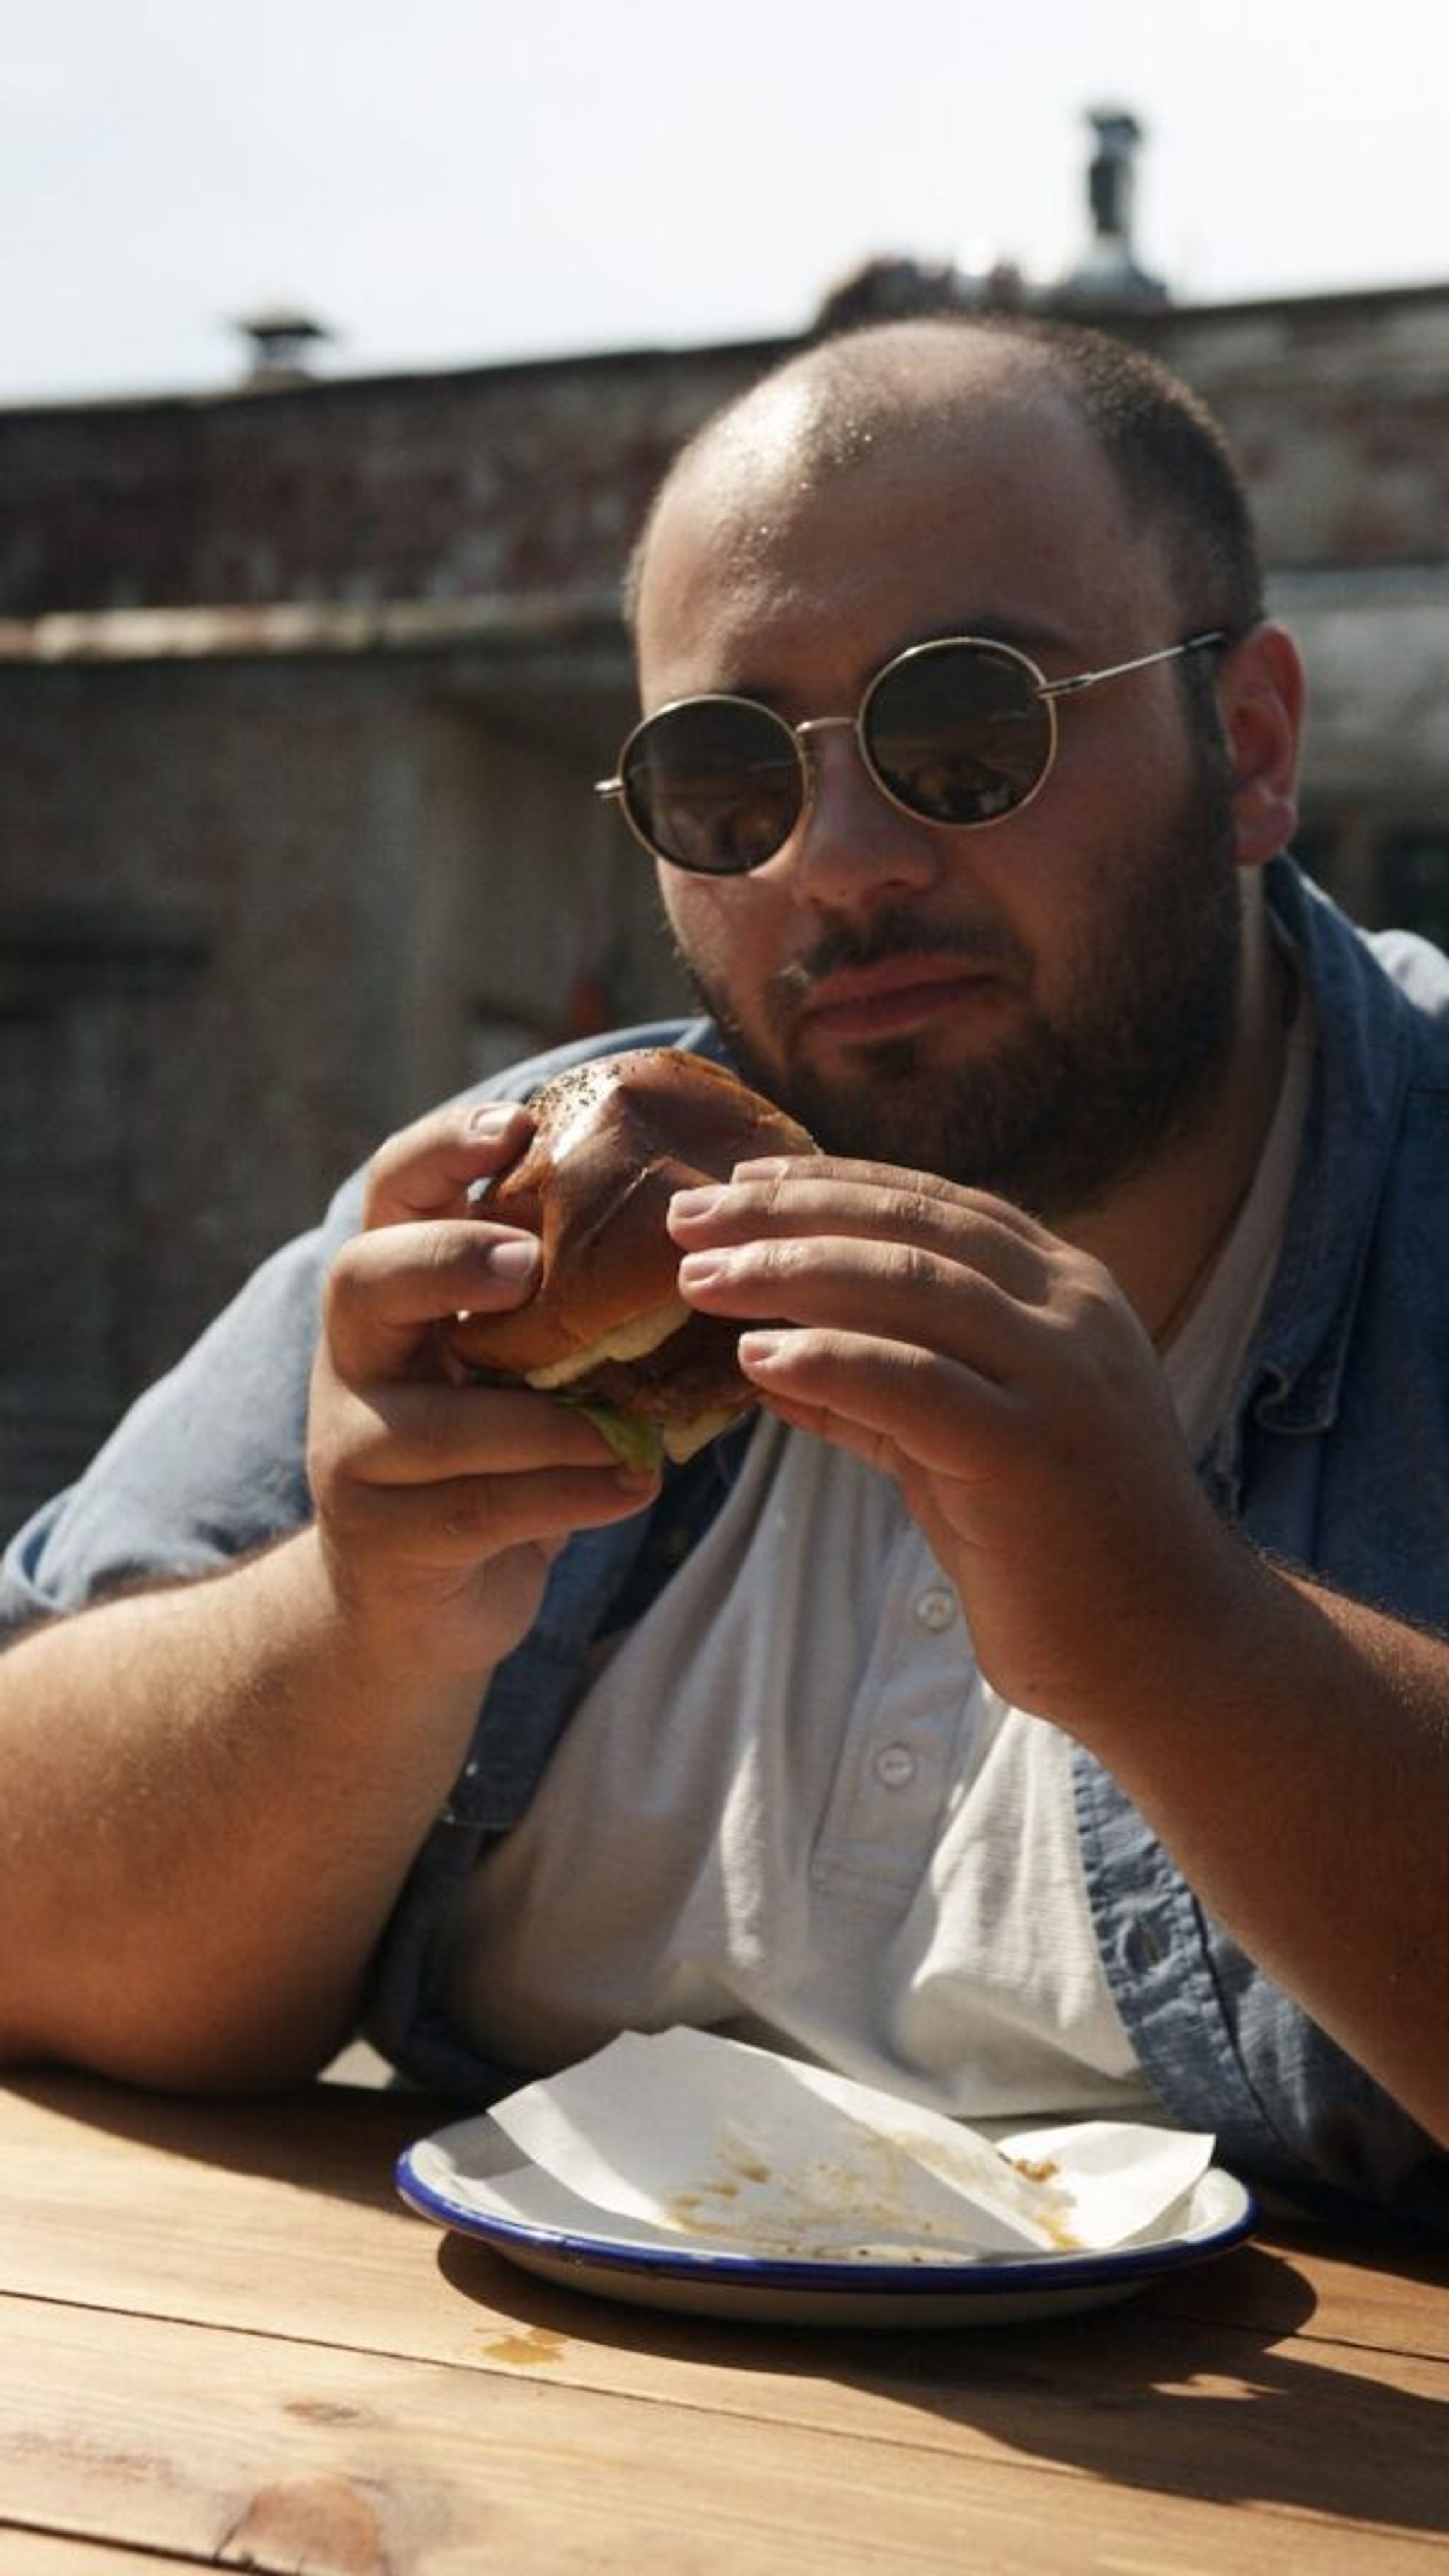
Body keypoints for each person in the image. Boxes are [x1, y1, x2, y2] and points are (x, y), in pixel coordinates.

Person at [2, 316, 1447, 2232]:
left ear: (1249, 749)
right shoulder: (525, 1214)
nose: (836, 862)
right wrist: (360, 1620)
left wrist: (1183, 1637)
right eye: (723, 775)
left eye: (964, 729)